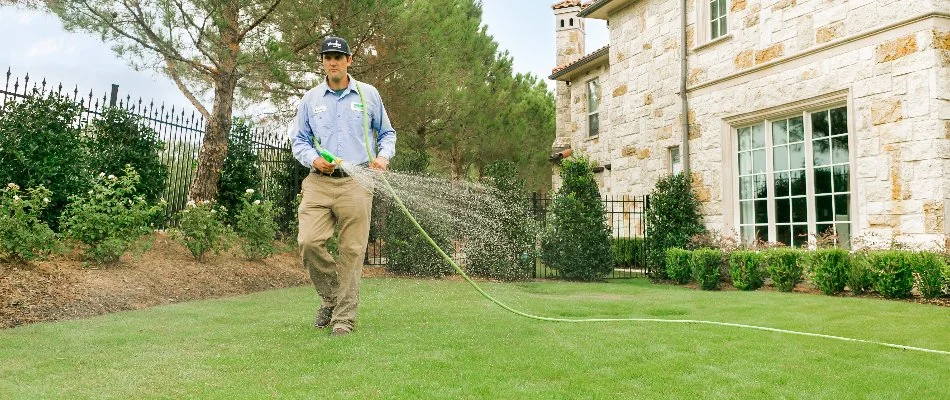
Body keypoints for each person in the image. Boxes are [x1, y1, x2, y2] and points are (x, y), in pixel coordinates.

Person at [290, 36, 396, 336]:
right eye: (327, 57)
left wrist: (383, 157)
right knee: (309, 242)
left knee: (351, 250)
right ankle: (332, 298)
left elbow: (387, 133)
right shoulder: (311, 99)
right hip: (319, 182)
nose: (332, 62)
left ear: (349, 60)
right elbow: (299, 140)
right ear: (322, 62)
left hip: (357, 181)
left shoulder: (368, 95)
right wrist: (313, 159)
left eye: (338, 56)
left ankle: (343, 319)